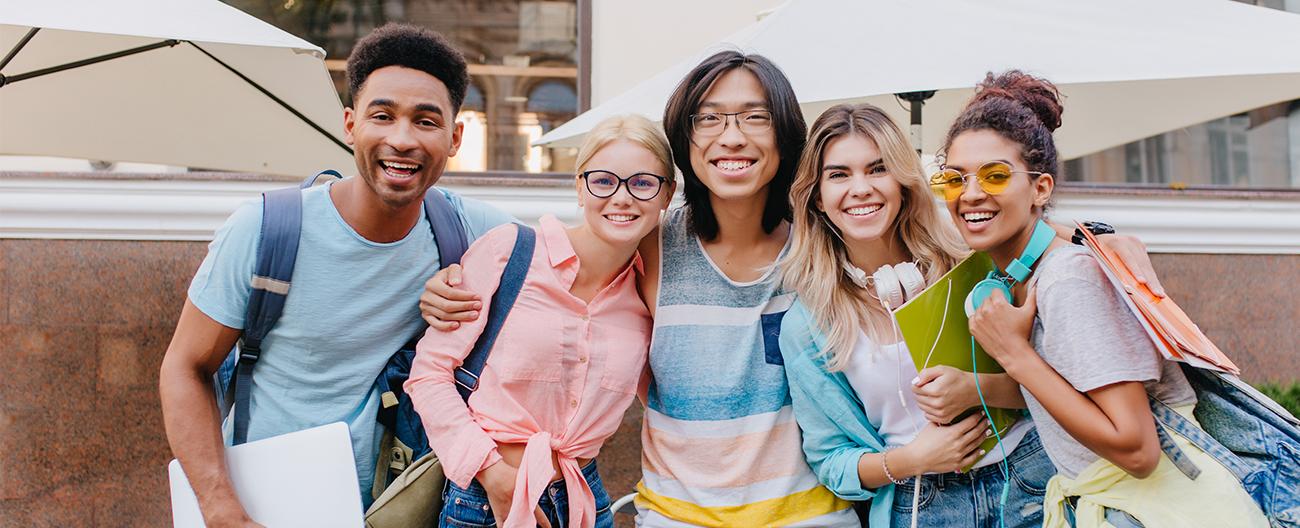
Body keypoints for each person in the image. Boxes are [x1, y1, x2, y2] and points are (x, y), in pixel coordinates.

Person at [419, 53, 1171, 528]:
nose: (732, 136)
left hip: (816, 515)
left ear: (782, 137)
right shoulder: (653, 239)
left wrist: (1090, 240)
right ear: (687, 140)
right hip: (678, 515)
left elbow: (978, 236)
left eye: (752, 117)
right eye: (710, 119)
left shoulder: (822, 246)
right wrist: (453, 267)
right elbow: (567, 240)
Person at [158, 24, 512, 527]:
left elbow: (580, 256)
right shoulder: (266, 230)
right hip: (267, 505)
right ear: (350, 125)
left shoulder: (471, 231)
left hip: (397, 507)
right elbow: (184, 368)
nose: (402, 139)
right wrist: (219, 508)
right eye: (382, 116)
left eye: (426, 121)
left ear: (455, 137)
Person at [951, 71, 1268, 527]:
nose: (971, 193)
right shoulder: (1028, 271)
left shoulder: (1066, 279)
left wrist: (1015, 355)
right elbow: (1074, 400)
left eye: (995, 175)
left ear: (1041, 188)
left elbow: (1137, 449)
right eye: (954, 179)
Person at [779, 102, 1057, 528]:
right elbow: (831, 463)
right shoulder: (809, 323)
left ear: (904, 182)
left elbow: (1061, 386)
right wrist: (910, 460)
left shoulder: (973, 261)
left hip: (1031, 475)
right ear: (817, 197)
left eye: (877, 169)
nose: (861, 188)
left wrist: (975, 389)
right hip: (923, 505)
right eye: (839, 175)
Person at [405, 114, 674, 528]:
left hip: (584, 501)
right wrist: (490, 472)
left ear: (666, 195)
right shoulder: (511, 252)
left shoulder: (647, 294)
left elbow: (666, 399)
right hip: (485, 499)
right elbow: (429, 373)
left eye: (642, 183)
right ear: (579, 188)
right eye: (603, 181)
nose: (622, 198)